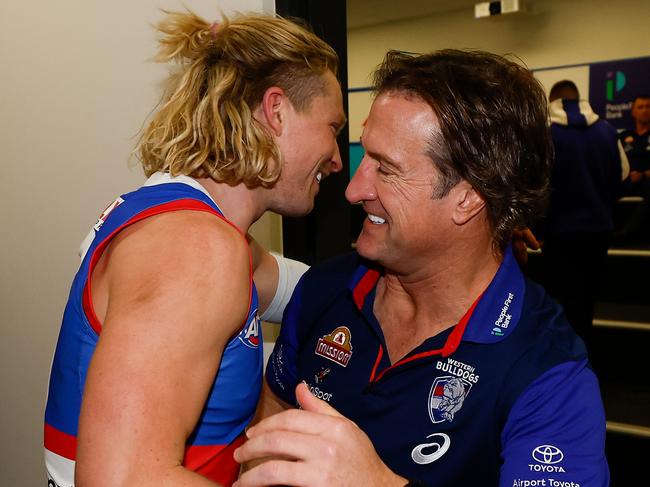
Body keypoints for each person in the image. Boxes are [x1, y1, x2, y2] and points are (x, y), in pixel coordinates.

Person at [234, 50, 609, 487]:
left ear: (468, 198)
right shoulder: (324, 289)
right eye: (363, 158)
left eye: (386, 169)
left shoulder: (549, 376)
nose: (354, 190)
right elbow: (273, 413)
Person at [43, 9, 345, 487]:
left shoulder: (187, 221)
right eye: (332, 127)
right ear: (277, 111)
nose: (334, 158)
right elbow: (118, 481)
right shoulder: (195, 249)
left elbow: (301, 287)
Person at [538, 80, 629, 348]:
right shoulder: (608, 131)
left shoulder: (546, 135)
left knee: (559, 300)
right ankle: (585, 356)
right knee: (588, 299)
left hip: (558, 234)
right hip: (598, 231)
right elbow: (623, 181)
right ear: (579, 99)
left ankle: (561, 361)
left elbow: (535, 187)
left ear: (552, 101)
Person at [615, 94, 650, 243]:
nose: (645, 110)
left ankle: (629, 232)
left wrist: (643, 174)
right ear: (633, 111)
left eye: (648, 107)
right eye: (640, 107)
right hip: (625, 181)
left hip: (646, 182)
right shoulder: (623, 136)